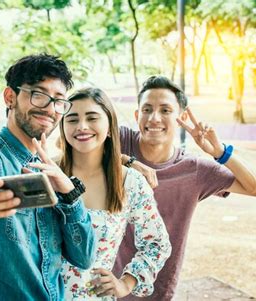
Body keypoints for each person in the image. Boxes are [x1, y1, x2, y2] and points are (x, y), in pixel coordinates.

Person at [0, 54, 97, 300]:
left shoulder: (54, 172)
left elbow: (84, 257)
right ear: (11, 97)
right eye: (39, 94)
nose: (50, 108)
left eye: (59, 101)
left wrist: (70, 195)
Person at [113, 75, 256, 300]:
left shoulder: (193, 169)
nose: (154, 118)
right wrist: (128, 162)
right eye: (147, 109)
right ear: (137, 115)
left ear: (181, 117)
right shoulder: (120, 140)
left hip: (159, 291)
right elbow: (69, 147)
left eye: (165, 110)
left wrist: (220, 153)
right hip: (105, 287)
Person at [44, 87, 171, 300]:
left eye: (92, 118)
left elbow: (156, 243)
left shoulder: (129, 181)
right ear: (63, 127)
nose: (82, 126)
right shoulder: (46, 174)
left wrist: (125, 283)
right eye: (72, 119)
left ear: (110, 127)